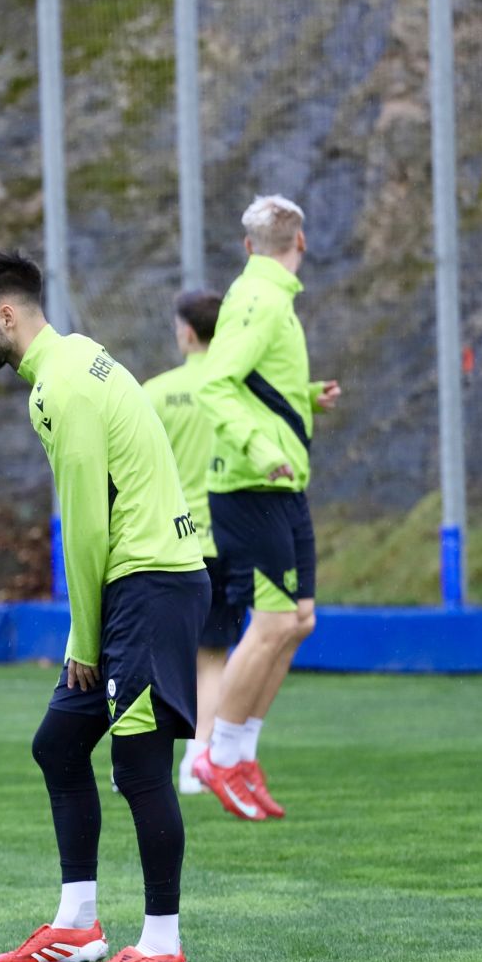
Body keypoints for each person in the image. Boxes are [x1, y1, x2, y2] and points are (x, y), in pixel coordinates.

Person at [0, 251, 207, 962]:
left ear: (5, 314)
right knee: (59, 744)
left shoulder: (59, 388)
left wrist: (84, 639)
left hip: (150, 586)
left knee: (139, 765)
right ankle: (77, 926)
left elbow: (87, 526)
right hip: (134, 586)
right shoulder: (78, 355)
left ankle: (161, 945)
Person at [192, 196, 340, 821]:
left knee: (299, 620)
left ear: (250, 244)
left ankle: (240, 753)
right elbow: (212, 382)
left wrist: (305, 397)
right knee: (275, 622)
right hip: (252, 486)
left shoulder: (267, 296)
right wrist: (259, 446)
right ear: (298, 242)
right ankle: (217, 756)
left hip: (278, 483)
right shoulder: (259, 299)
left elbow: (253, 384)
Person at [140, 291, 240, 794]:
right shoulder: (235, 389)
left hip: (166, 541)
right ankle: (197, 760)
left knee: (155, 653)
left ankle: (139, 759)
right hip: (222, 538)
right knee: (212, 656)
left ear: (185, 332)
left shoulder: (155, 392)